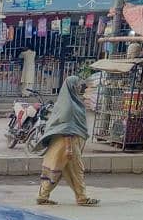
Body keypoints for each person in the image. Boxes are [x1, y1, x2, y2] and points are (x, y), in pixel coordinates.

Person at [36, 75, 100, 207]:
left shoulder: (66, 102)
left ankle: (43, 196)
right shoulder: (69, 106)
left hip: (61, 143)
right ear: (71, 87)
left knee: (56, 170)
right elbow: (67, 127)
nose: (80, 87)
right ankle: (81, 197)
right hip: (67, 142)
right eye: (77, 85)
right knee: (76, 170)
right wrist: (69, 148)